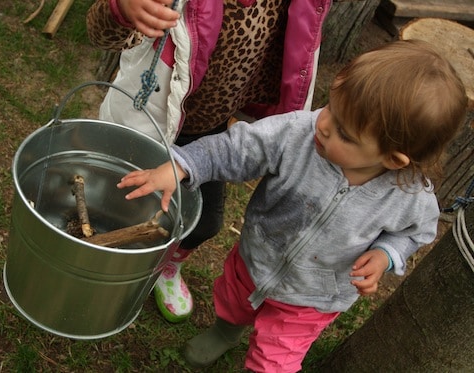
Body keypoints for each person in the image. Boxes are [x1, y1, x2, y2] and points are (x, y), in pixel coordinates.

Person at [115, 39, 468, 371]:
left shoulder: (410, 197)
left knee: (275, 361)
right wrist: (181, 166)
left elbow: (415, 232)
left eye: (345, 133)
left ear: (392, 159)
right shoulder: (299, 133)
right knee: (233, 302)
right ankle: (226, 331)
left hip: (314, 296)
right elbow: (235, 149)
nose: (325, 125)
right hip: (256, 257)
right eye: (331, 107)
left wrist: (386, 254)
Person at [86, 0, 332, 322]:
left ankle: (165, 265)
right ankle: (100, 258)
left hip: (208, 132)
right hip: (148, 120)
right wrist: (122, 9)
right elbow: (100, 32)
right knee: (119, 200)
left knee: (203, 222)